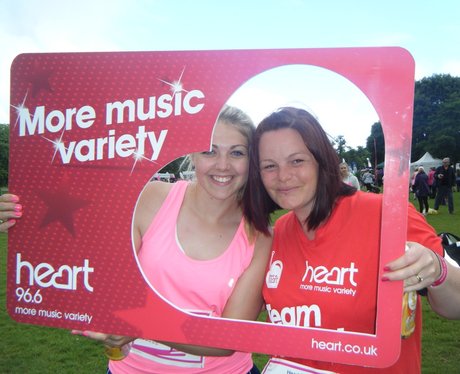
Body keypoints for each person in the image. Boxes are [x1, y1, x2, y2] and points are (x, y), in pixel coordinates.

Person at [0, 105, 272, 374]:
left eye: (237, 153)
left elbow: (227, 339)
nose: (222, 165)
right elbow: (101, 267)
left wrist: (138, 324)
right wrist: (25, 219)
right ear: (193, 153)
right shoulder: (152, 198)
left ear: (252, 161)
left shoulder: (259, 235)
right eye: (209, 150)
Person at [243, 107, 447, 373]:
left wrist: (438, 270)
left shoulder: (386, 215)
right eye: (270, 166)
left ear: (322, 161)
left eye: (297, 161)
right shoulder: (277, 232)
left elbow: (453, 305)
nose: (283, 176)